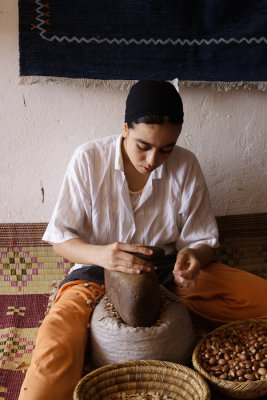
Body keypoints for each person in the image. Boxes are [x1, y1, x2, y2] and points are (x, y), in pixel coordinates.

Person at [19, 80, 267, 400]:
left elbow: (202, 239)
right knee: (53, 350)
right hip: (96, 273)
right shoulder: (89, 159)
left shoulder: (186, 164)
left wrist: (194, 257)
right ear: (125, 129)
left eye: (166, 149)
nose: (152, 160)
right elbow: (60, 240)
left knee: (258, 298)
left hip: (166, 271)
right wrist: (103, 255)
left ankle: (184, 320)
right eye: (143, 146)